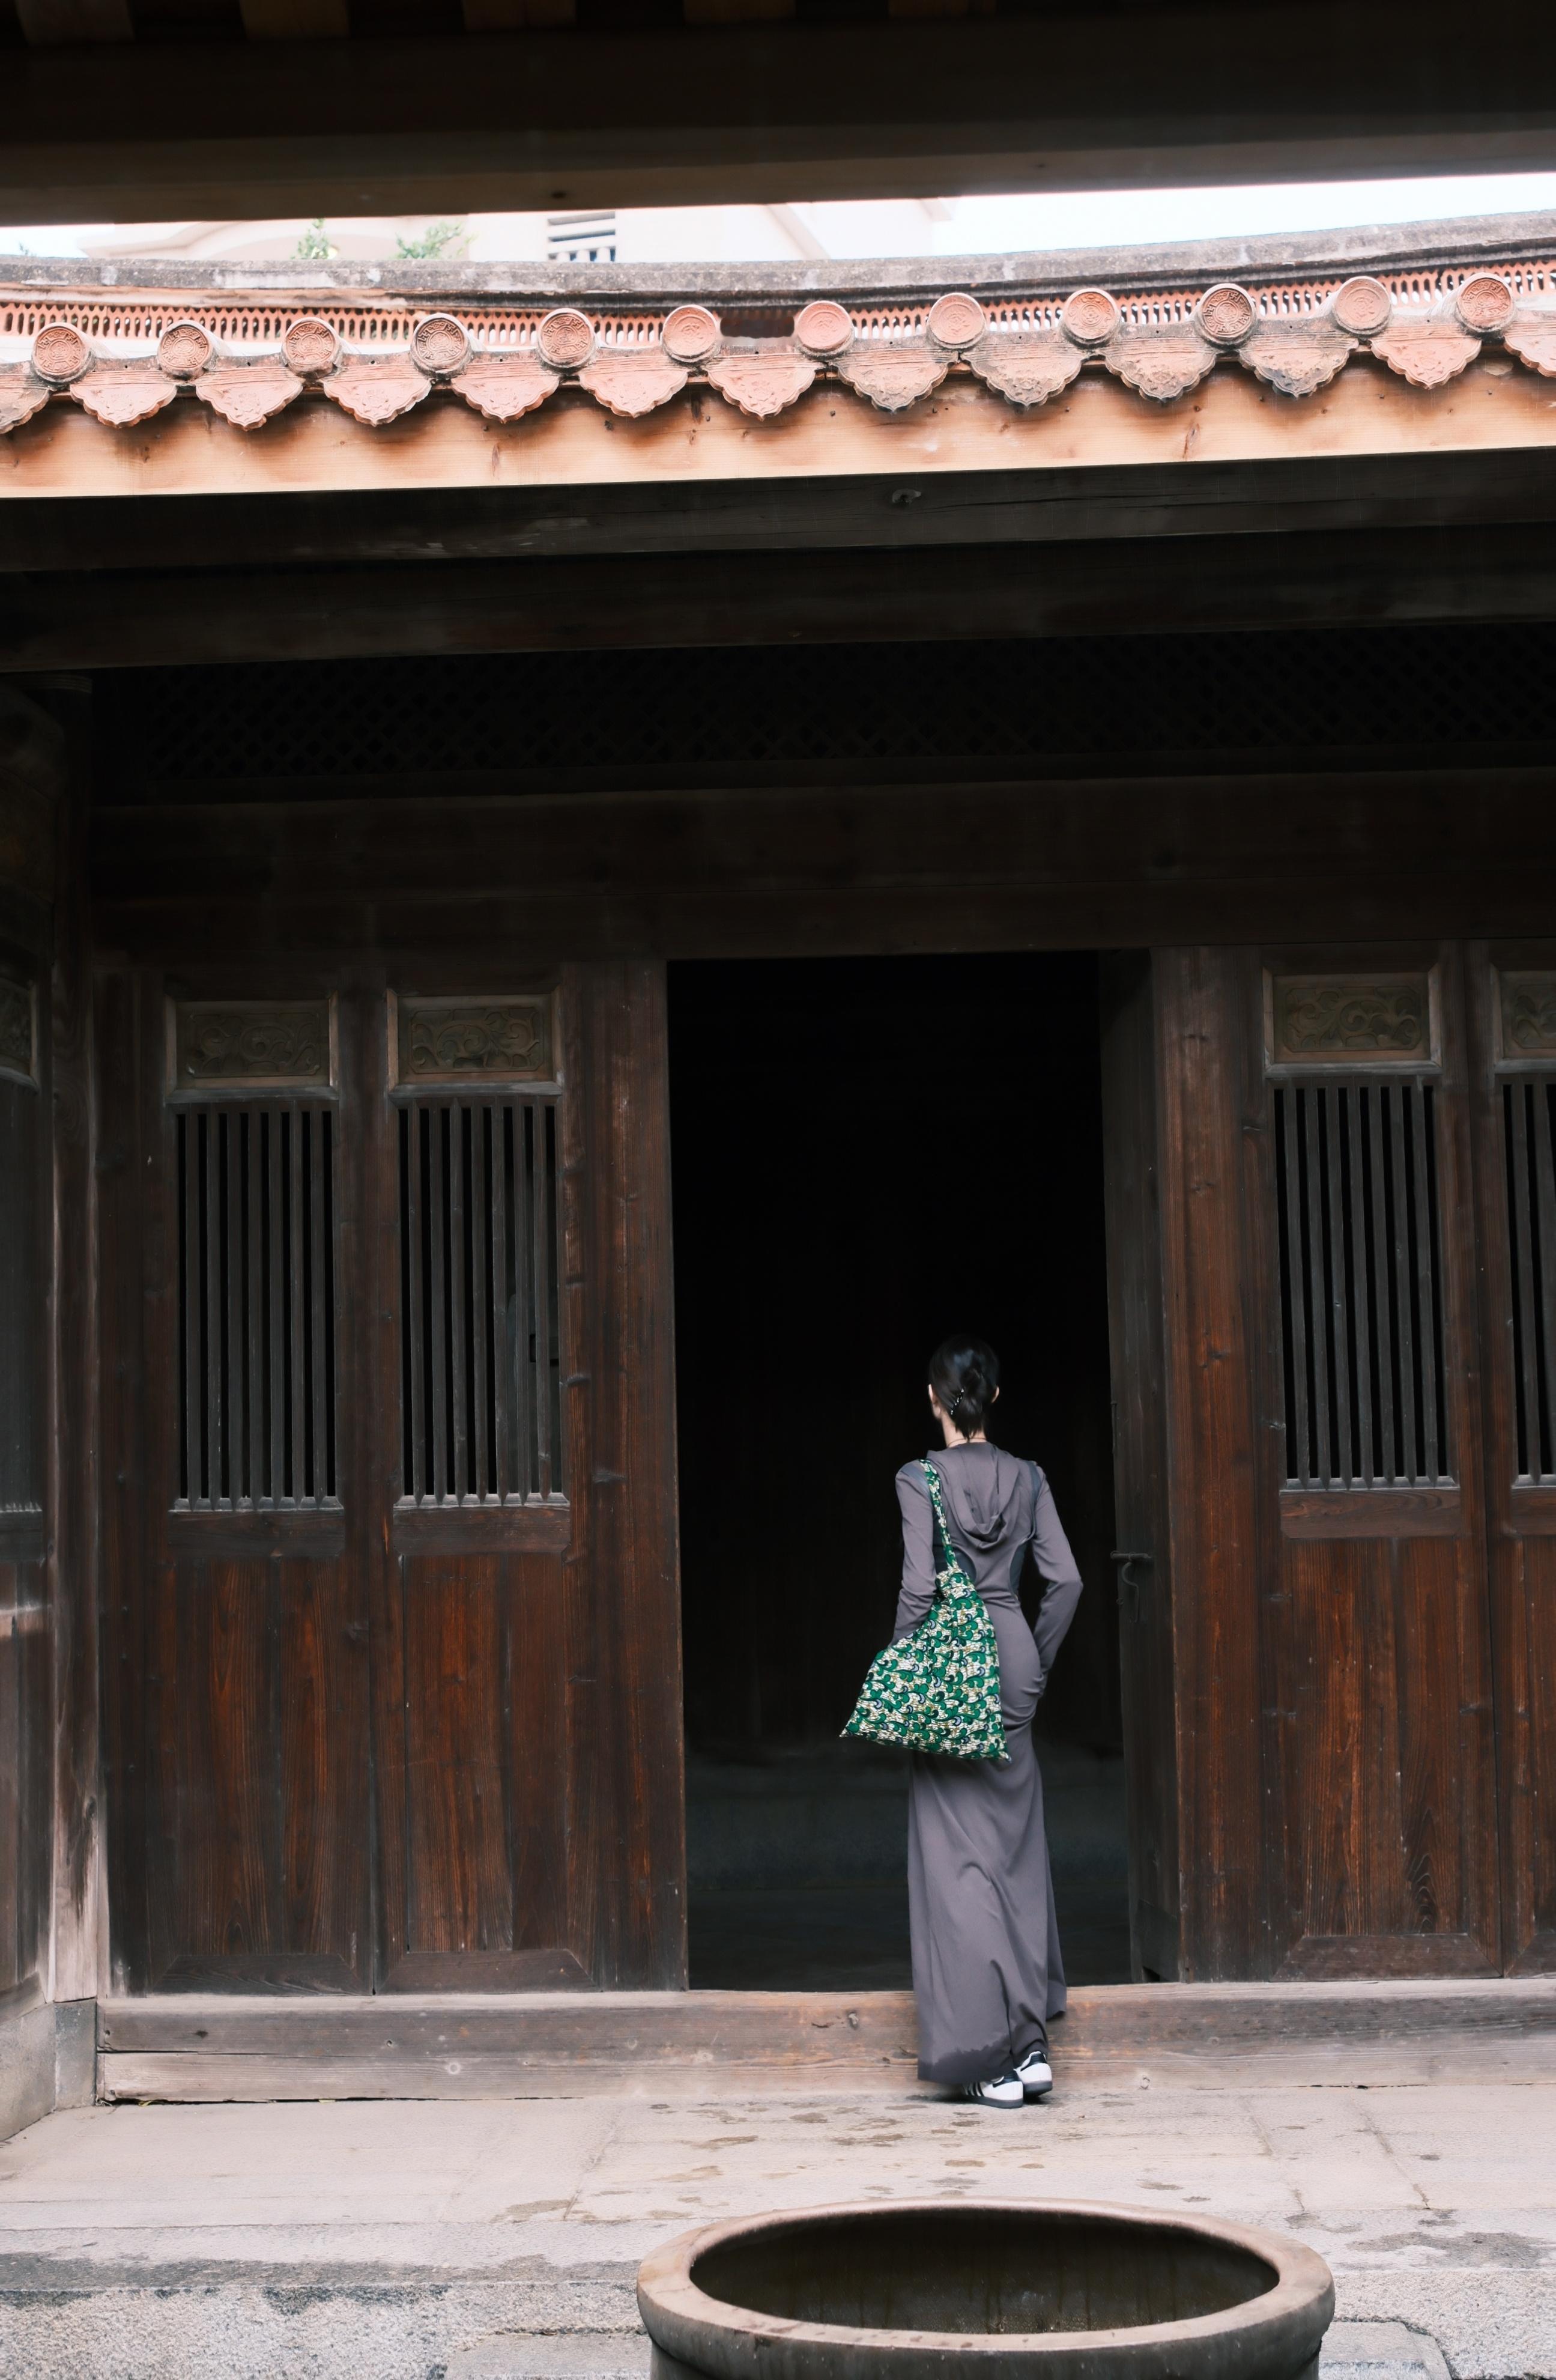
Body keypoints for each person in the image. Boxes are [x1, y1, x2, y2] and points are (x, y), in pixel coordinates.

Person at [894, 1335, 1083, 2109]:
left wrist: (907, 1673)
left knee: (957, 1867)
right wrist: (1034, 1667)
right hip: (1013, 1657)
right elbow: (1066, 1583)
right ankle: (1031, 2045)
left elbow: (919, 1587)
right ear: (994, 1398)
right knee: (1014, 1853)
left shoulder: (919, 1479)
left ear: (933, 1399)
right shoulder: (1030, 1477)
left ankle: (987, 2059)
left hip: (951, 1662)